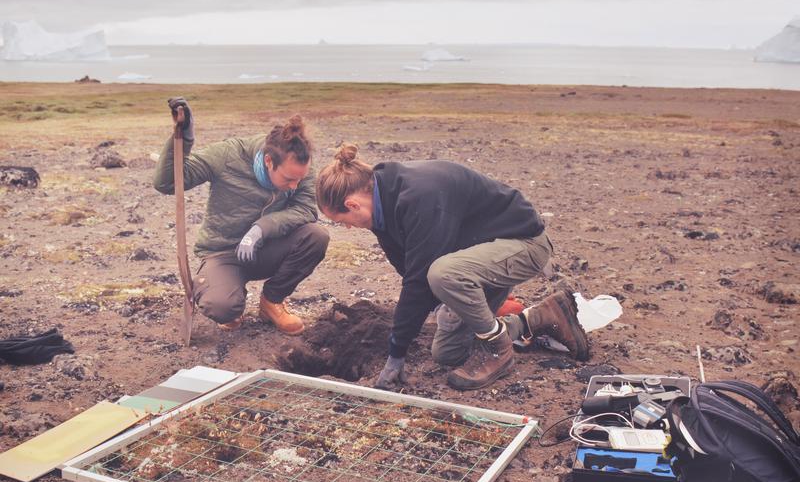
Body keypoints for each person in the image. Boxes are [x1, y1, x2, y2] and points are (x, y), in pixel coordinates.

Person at [316, 144, 589, 391]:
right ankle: (538, 318)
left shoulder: (419, 195)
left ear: (352, 204)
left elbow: (420, 280)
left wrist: (396, 353)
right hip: (479, 257)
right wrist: (439, 307)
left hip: (523, 245)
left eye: (343, 221)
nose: (348, 227)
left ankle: (498, 351)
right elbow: (408, 269)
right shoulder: (382, 209)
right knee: (448, 353)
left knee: (442, 274)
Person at [153, 98, 329, 335]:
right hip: (223, 252)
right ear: (268, 161)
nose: (294, 185)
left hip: (266, 248)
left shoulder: (299, 166)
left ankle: (272, 302)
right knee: (222, 307)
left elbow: (306, 210)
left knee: (316, 236)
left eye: (299, 179)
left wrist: (261, 229)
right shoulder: (228, 155)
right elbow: (167, 183)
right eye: (288, 179)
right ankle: (230, 295)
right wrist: (184, 139)